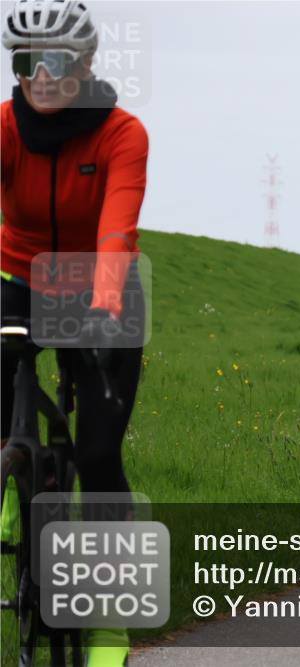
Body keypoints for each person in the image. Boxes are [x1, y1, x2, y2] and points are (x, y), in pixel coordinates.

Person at [1, 1, 149, 664]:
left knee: (96, 454)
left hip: (102, 290)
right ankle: (12, 480)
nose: (40, 76)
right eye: (26, 61)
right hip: (18, 279)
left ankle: (110, 624)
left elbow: (117, 226)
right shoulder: (5, 127)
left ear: (86, 63)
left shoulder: (122, 134)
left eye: (55, 60)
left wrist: (105, 301)